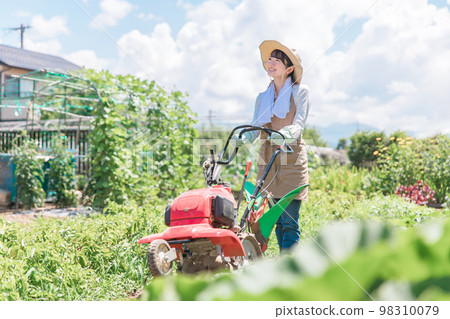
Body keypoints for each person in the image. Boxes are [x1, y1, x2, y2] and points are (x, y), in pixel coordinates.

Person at [232, 40, 310, 252]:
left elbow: (299, 123)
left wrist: (286, 134)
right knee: (274, 219)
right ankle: (285, 264)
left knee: (290, 220)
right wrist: (244, 137)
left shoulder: (300, 92)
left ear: (290, 68)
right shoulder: (262, 97)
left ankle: (290, 267)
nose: (271, 63)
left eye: (277, 60)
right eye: (270, 59)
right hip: (267, 158)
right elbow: (257, 125)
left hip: (291, 158)